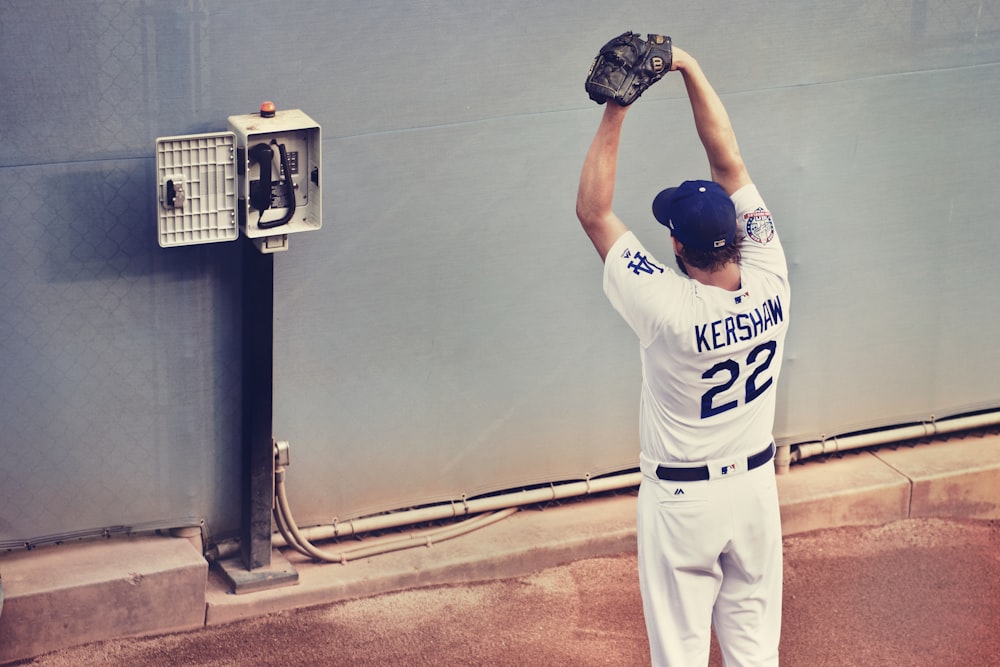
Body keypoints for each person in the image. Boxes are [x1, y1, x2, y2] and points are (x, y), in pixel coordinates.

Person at [576, 44, 790, 666]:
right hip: (754, 495)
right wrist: (691, 65)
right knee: (756, 656)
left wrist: (618, 104)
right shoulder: (772, 275)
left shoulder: (667, 308)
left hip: (682, 506)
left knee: (681, 656)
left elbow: (594, 213)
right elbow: (730, 160)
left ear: (675, 244)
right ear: (736, 233)